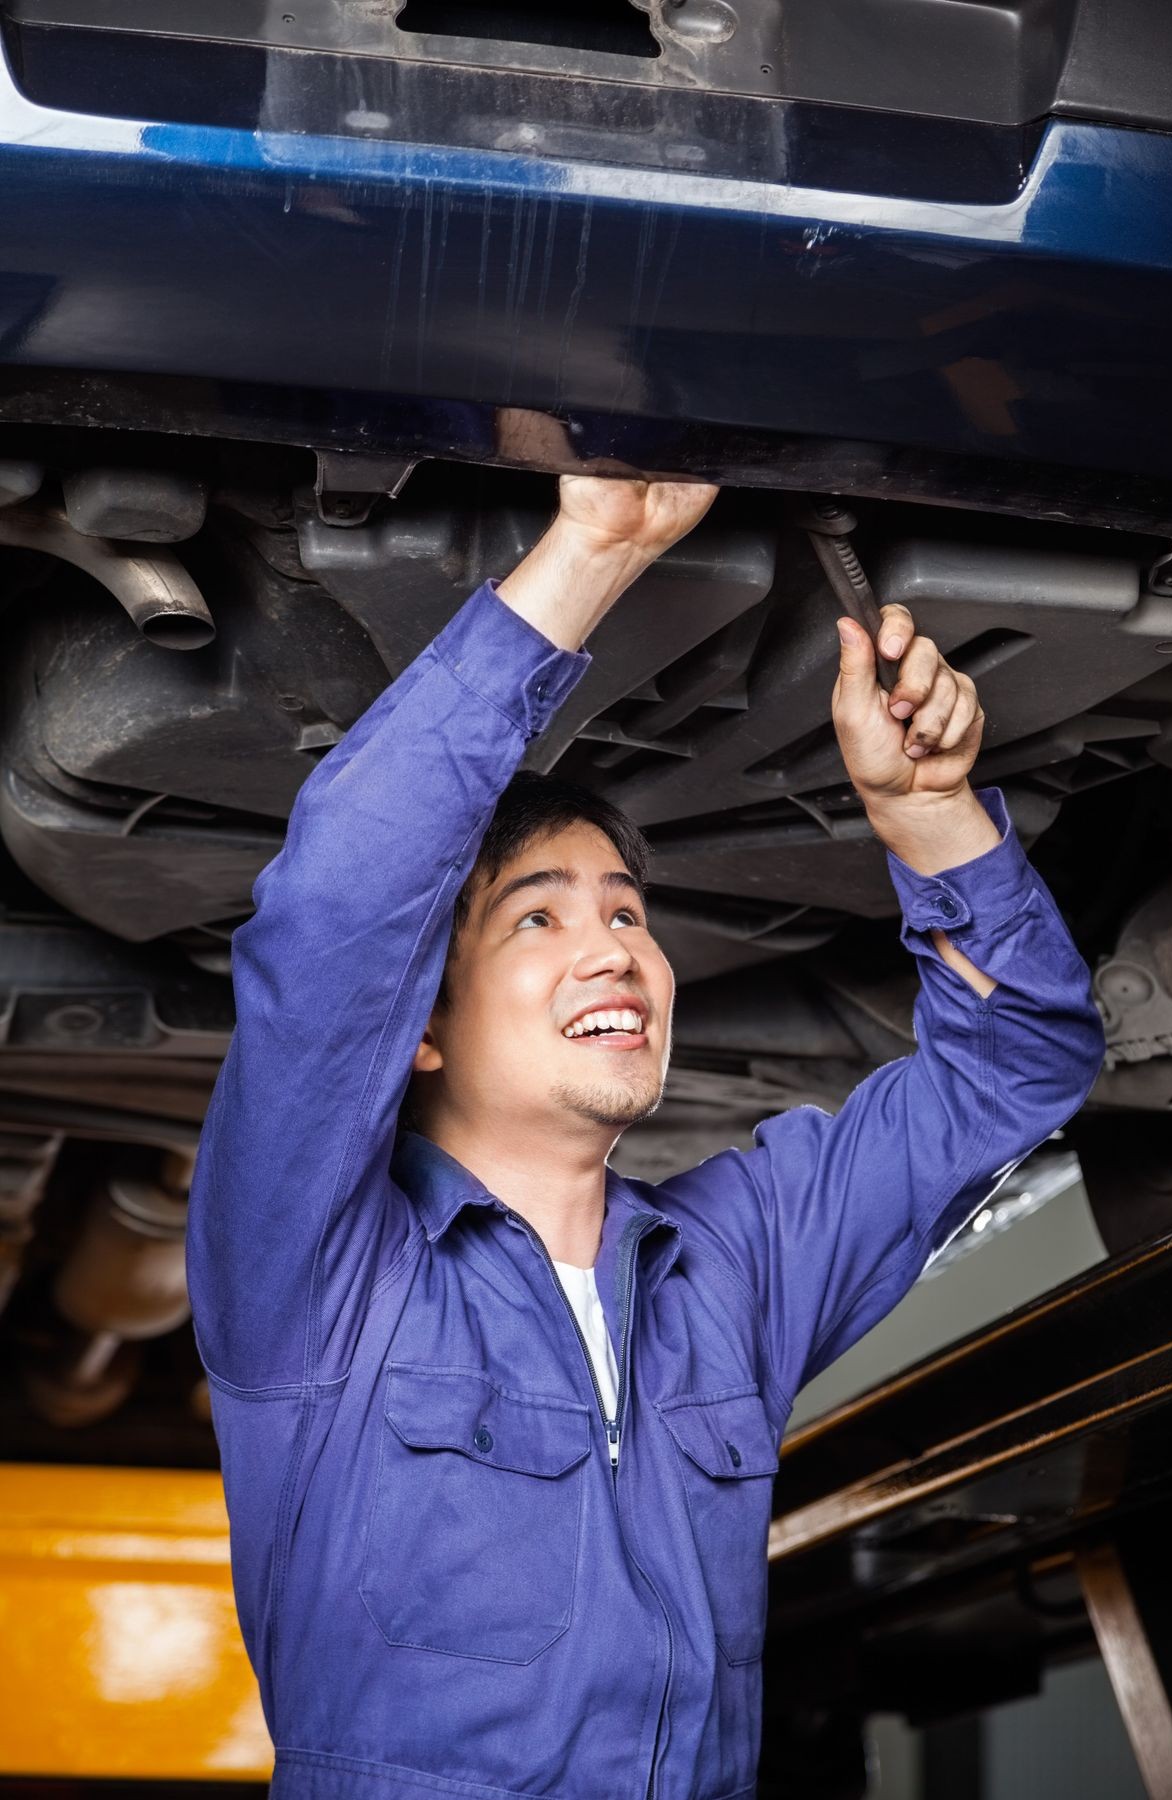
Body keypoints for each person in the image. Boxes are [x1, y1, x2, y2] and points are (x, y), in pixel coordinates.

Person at [186, 475, 1105, 1800]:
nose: (613, 952)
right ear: (423, 1031)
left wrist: (928, 812)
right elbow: (338, 905)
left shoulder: (732, 1268)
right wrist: (593, 547)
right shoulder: (320, 1284)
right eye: (538, 920)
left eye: (627, 915)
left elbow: (1019, 1060)